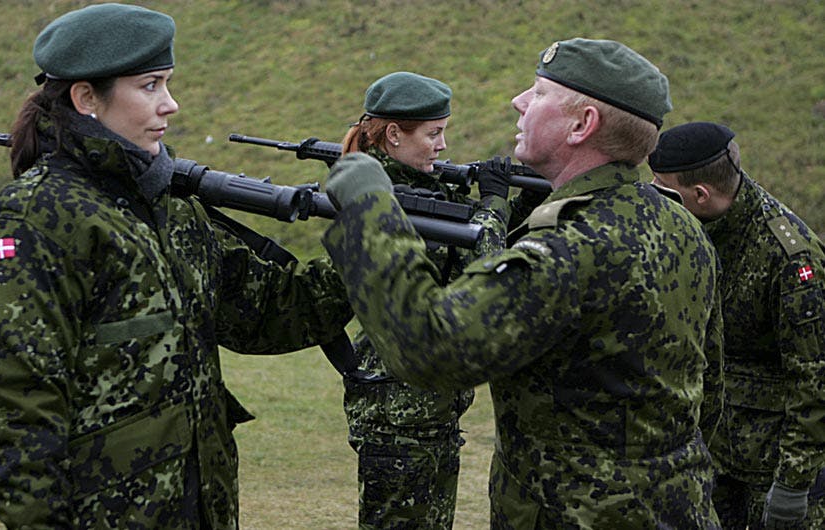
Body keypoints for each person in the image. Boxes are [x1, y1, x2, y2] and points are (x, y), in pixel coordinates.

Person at [0, 4, 353, 528]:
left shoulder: (172, 210)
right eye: (150, 86)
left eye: (167, 83)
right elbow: (20, 405)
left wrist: (371, 249)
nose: (171, 105)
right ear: (86, 98)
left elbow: (274, 311)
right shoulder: (39, 220)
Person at [321, 38, 725, 528]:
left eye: (538, 93)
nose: (519, 102)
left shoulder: (571, 248)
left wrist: (368, 207)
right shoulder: (679, 225)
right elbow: (709, 389)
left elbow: (427, 347)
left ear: (583, 124)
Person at [337, 71, 511, 529]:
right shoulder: (387, 200)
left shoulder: (423, 190)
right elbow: (486, 272)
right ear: (394, 135)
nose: (443, 146)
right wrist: (495, 204)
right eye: (433, 134)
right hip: (398, 415)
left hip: (429, 410)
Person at [648, 121, 825, 530]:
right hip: (715, 457)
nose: (654, 198)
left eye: (663, 190)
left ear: (700, 194)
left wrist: (793, 485)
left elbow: (814, 379)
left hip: (775, 467)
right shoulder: (689, 231)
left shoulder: (789, 257)